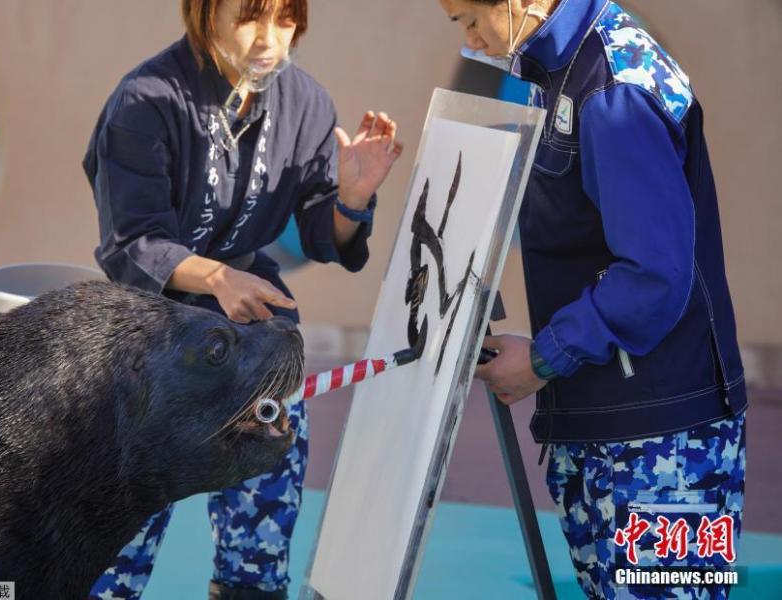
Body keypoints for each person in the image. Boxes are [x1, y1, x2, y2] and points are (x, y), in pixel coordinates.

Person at [82, 1, 403, 598]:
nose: (269, 40)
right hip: (147, 352)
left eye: (286, 20)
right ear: (203, 13)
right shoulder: (145, 101)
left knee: (258, 557)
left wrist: (352, 200)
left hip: (257, 349)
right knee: (112, 562)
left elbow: (319, 233)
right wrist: (215, 279)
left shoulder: (306, 102)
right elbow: (132, 240)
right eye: (251, 17)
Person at [438, 1, 747, 598]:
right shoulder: (548, 66)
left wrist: (546, 356)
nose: (470, 38)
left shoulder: (614, 87)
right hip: (604, 417)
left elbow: (652, 273)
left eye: (471, 18)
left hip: (663, 438)